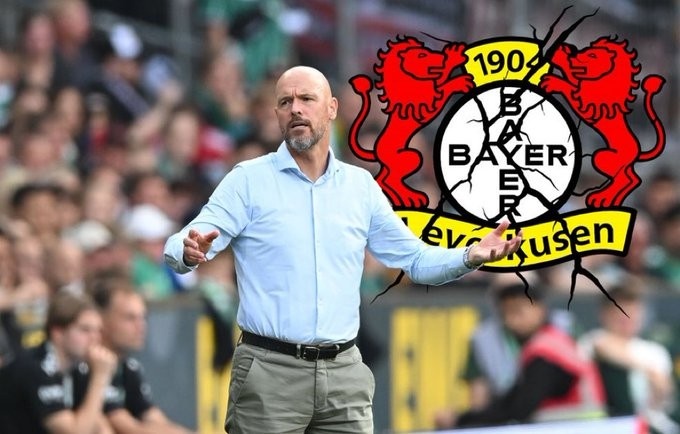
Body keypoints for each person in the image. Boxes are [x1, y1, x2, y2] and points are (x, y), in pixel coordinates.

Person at [163, 65, 523, 433]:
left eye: (307, 98)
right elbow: (181, 242)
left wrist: (468, 256)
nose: (295, 108)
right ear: (276, 114)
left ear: (332, 108)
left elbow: (414, 260)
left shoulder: (360, 186)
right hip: (269, 372)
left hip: (344, 371)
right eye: (285, 102)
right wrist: (186, 252)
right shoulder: (248, 180)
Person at [434, 283, 606, 429]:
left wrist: (461, 421)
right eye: (506, 313)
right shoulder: (551, 342)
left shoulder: (546, 353)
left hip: (577, 427)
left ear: (540, 308)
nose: (512, 320)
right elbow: (512, 400)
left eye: (518, 311)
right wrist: (463, 419)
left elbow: (519, 409)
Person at [89, 274, 196, 433]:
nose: (141, 326)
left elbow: (153, 417)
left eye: (142, 317)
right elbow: (132, 430)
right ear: (102, 320)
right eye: (129, 318)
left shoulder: (128, 366)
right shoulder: (89, 365)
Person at [0, 290, 117, 434]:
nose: (95, 338)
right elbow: (75, 432)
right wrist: (100, 377)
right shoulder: (34, 368)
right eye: (85, 330)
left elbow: (98, 424)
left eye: (98, 331)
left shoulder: (78, 369)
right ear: (58, 333)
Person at [578, 284, 678, 433]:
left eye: (633, 313)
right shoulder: (593, 340)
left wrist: (660, 384)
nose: (627, 318)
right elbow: (603, 348)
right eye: (621, 313)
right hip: (609, 424)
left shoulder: (655, 351)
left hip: (654, 423)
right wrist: (647, 369)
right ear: (605, 314)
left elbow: (665, 395)